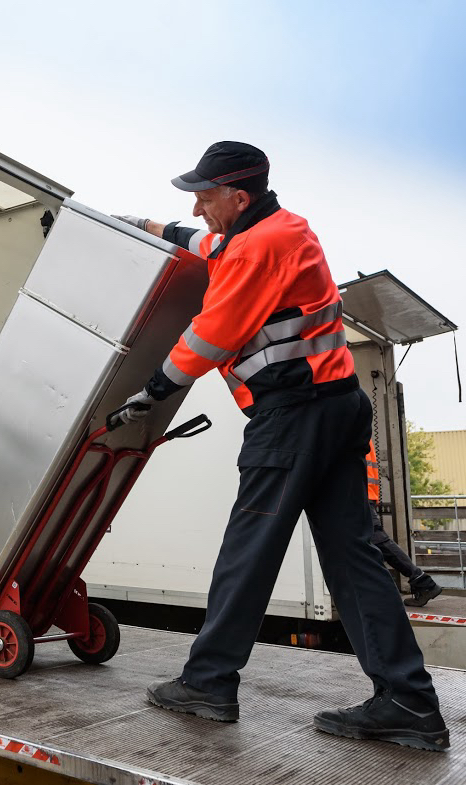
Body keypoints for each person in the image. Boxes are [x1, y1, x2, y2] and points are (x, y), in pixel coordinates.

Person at [110, 141, 449, 752]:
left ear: (238, 197)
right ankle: (408, 702)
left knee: (250, 547)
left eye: (204, 195)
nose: (196, 206)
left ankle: (208, 682)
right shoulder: (272, 230)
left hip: (294, 416)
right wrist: (144, 226)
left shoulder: (256, 248)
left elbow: (213, 334)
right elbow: (205, 242)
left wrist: (153, 390)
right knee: (353, 556)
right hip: (335, 406)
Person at [364, 442, 443, 606]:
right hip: (364, 494)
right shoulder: (360, 430)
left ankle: (422, 582)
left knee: (377, 540)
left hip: (359, 496)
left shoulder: (350, 429)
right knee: (370, 543)